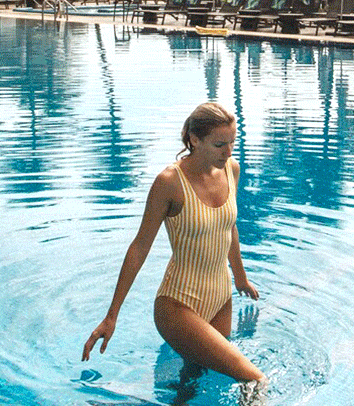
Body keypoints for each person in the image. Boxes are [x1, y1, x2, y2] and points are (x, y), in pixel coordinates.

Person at [82, 102, 264, 385]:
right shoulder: (169, 183)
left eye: (232, 142)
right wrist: (111, 316)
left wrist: (240, 278)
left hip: (221, 298)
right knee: (254, 379)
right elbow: (140, 248)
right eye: (219, 145)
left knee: (194, 376)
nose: (228, 152)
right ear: (195, 139)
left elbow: (228, 226)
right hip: (178, 305)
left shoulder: (232, 170)